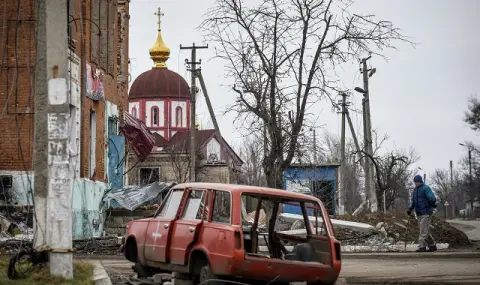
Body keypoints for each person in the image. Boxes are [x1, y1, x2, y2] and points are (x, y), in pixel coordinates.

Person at [407, 174, 437, 252]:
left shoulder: (426, 188)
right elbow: (413, 201)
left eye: (417, 182)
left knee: (423, 231)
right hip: (419, 213)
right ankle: (432, 245)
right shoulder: (415, 190)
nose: (416, 183)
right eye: (415, 182)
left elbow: (432, 198)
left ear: (420, 181)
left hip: (426, 212)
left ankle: (422, 246)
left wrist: (432, 202)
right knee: (424, 230)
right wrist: (410, 208)